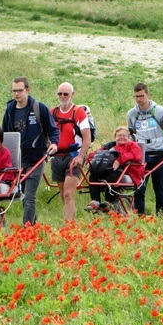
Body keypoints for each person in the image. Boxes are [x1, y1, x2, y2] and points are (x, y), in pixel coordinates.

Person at [2, 77, 59, 226]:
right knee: (23, 196)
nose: (16, 94)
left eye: (19, 90)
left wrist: (54, 144)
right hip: (18, 158)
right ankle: (34, 226)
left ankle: (25, 230)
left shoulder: (39, 108)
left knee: (29, 196)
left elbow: (53, 130)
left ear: (27, 90)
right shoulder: (9, 110)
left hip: (37, 157)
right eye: (14, 91)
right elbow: (6, 135)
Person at [126, 82, 163, 216]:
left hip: (160, 154)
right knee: (139, 188)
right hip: (141, 155)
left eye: (141, 96)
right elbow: (131, 135)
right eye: (136, 97)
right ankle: (140, 217)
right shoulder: (132, 114)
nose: (139, 99)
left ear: (147, 95)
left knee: (159, 187)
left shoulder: (160, 111)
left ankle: (161, 216)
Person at [50, 82, 92, 221]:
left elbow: (87, 137)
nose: (62, 96)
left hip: (73, 157)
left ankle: (69, 226)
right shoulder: (53, 113)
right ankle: (69, 220)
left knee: (68, 193)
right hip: (57, 157)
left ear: (72, 95)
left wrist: (81, 156)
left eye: (66, 94)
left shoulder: (78, 112)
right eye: (60, 94)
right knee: (62, 194)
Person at [85, 126, 144, 213]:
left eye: (124, 135)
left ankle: (109, 202)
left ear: (128, 137)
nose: (122, 137)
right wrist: (89, 162)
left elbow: (136, 155)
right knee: (93, 175)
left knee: (113, 175)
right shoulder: (109, 146)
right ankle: (95, 202)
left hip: (127, 172)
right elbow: (96, 154)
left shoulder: (132, 145)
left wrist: (119, 160)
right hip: (108, 170)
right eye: (119, 135)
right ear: (115, 137)